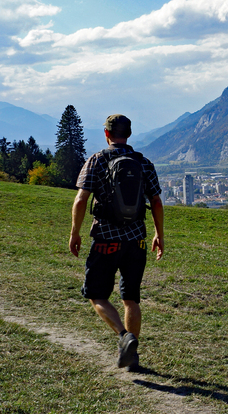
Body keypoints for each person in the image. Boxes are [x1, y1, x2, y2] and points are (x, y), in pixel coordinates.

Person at [69, 114, 164, 372]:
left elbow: (80, 200)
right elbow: (155, 201)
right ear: (129, 134)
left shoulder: (97, 161)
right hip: (136, 242)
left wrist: (75, 233)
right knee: (131, 299)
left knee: (97, 294)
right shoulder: (143, 163)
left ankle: (124, 337)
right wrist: (159, 234)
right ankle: (133, 357)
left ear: (106, 134)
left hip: (105, 240)